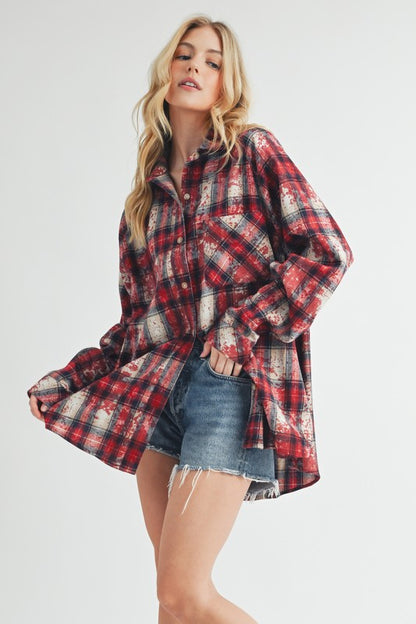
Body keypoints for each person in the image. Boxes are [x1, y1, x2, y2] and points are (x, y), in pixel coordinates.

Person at [27, 14, 354, 624]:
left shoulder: (252, 152)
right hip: (160, 396)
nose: (195, 68)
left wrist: (243, 325)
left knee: (184, 592)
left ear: (228, 82)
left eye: (212, 61)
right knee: (171, 607)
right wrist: (71, 379)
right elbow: (134, 329)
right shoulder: (142, 204)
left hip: (228, 389)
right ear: (166, 70)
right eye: (185, 55)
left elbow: (326, 251)